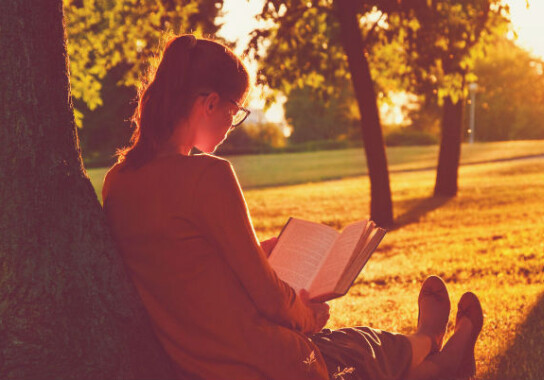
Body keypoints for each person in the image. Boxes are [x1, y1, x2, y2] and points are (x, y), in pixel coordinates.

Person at [102, 34, 484, 380]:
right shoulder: (207, 175)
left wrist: (257, 254)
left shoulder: (117, 182)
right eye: (235, 111)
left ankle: (439, 354)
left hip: (198, 366)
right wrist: (309, 318)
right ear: (210, 103)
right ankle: (434, 346)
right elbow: (269, 299)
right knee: (361, 348)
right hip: (264, 363)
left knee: (354, 352)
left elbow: (184, 267)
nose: (232, 123)